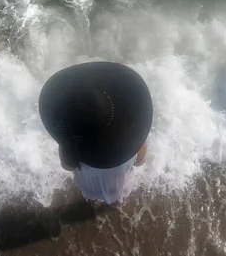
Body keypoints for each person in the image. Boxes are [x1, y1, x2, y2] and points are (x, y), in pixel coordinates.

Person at [38, 61, 153, 204]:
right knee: (118, 194)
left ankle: (91, 201)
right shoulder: (132, 141)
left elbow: (67, 166)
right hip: (118, 183)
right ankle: (114, 202)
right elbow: (140, 161)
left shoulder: (73, 144)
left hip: (89, 184)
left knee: (90, 195)